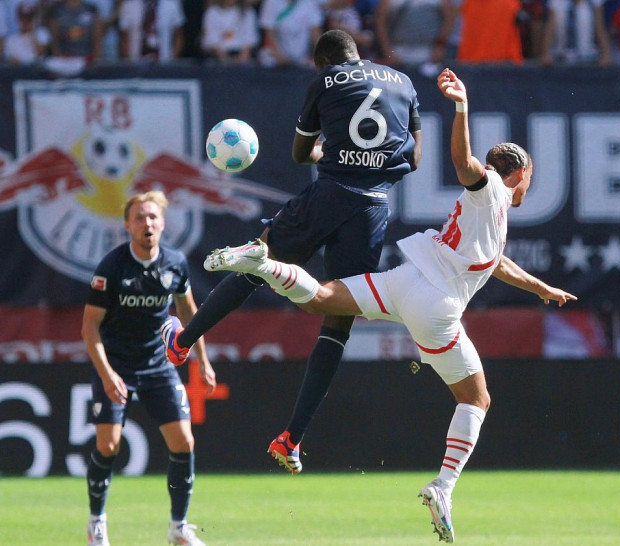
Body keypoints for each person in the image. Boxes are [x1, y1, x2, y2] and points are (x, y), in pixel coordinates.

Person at [201, 68, 577, 543]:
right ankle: (443, 486)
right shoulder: (495, 190)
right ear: (520, 174)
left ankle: (260, 262)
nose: (527, 189)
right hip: (436, 306)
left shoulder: (489, 213)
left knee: (320, 298)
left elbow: (495, 262)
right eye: (529, 181)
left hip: (405, 280)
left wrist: (540, 288)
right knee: (476, 398)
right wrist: (461, 106)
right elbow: (464, 165)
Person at [161, 29, 422, 473]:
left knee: (256, 260)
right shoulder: (403, 82)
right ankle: (292, 439)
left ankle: (182, 343)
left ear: (324, 62)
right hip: (374, 208)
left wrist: (327, 147)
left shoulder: (327, 81)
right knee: (338, 317)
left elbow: (303, 153)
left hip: (330, 193)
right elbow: (414, 161)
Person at [81, 191, 216, 546]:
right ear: (127, 224)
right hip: (114, 365)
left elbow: (189, 315)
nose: (147, 224)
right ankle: (96, 523)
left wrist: (202, 358)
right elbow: (89, 327)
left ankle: (179, 528)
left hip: (157, 364)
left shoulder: (175, 264)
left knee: (184, 441)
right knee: (108, 445)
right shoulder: (112, 267)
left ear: (163, 223)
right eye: (139, 217)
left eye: (153, 217)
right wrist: (108, 374)